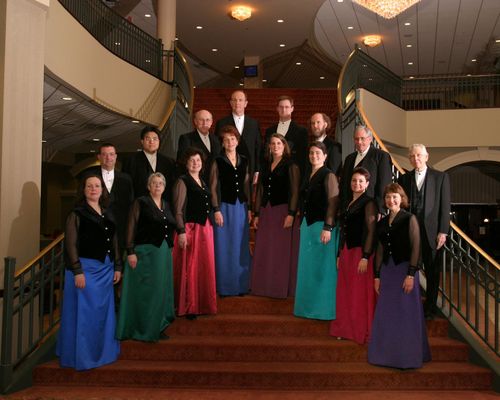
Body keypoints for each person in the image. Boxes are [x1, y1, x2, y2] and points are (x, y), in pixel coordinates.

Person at [57, 173, 121, 370]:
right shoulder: (76, 214)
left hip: (106, 270)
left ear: (102, 190)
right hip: (85, 270)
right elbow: (71, 245)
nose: (94, 189)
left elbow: (115, 241)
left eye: (97, 186)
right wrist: (77, 271)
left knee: (103, 315)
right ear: (83, 190)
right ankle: (83, 357)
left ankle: (103, 352)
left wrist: (118, 266)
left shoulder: (108, 213)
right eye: (89, 186)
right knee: (84, 315)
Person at [368, 183, 431, 369]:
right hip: (388, 272)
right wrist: (377, 276)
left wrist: (411, 274)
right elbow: (379, 250)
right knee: (387, 314)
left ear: (401, 198)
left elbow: (416, 248)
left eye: (395, 196)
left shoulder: (409, 219)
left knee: (406, 314)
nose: (391, 200)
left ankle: (407, 357)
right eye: (388, 197)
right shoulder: (381, 223)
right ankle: (385, 356)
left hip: (405, 271)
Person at [116, 172, 176, 342]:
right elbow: (131, 226)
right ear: (149, 186)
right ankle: (141, 329)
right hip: (144, 253)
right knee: (145, 292)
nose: (158, 186)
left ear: (164, 187)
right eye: (154, 183)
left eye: (161, 183)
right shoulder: (140, 202)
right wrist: (130, 251)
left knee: (160, 291)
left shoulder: (166, 204)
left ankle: (157, 326)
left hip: (163, 253)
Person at [398, 144, 451, 319]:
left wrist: (443, 231)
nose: (416, 159)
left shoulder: (441, 177)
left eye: (419, 155)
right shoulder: (404, 179)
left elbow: (445, 206)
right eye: (412, 156)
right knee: (409, 268)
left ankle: (430, 309)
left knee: (432, 271)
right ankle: (408, 306)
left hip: (432, 233)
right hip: (410, 232)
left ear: (427, 157)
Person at [329, 167, 377, 344]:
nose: (356, 184)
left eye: (360, 181)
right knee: (345, 292)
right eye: (354, 181)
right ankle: (345, 328)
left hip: (360, 253)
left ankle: (359, 330)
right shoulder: (348, 202)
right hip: (347, 252)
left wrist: (365, 256)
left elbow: (371, 230)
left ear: (367, 184)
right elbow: (343, 230)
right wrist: (339, 253)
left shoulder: (369, 202)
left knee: (358, 294)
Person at [251, 133, 300, 298]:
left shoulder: (291, 165)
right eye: (273, 144)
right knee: (265, 249)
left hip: (283, 211)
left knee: (280, 251)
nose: (275, 146)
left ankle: (278, 288)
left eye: (279, 143)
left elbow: (294, 192)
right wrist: (257, 213)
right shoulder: (265, 166)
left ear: (284, 145)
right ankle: (263, 286)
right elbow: (260, 191)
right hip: (267, 211)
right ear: (269, 147)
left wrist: (291, 214)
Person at [294, 142, 339, 320]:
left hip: (322, 227)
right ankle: (307, 308)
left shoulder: (329, 175)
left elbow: (333, 202)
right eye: (311, 153)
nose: (314, 156)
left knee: (322, 270)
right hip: (308, 226)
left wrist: (328, 227)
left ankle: (323, 310)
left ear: (325, 156)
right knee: (308, 269)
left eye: (318, 153)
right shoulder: (308, 174)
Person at [172, 148, 217, 318]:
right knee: (189, 268)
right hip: (190, 229)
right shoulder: (182, 181)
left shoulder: (203, 181)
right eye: (191, 161)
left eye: (198, 160)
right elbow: (178, 210)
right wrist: (181, 231)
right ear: (186, 163)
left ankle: (202, 304)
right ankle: (188, 306)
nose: (195, 163)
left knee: (202, 268)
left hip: (204, 229)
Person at [210, 125, 251, 296]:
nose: (229, 142)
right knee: (224, 247)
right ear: (222, 142)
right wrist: (216, 209)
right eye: (226, 139)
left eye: (232, 139)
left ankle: (241, 286)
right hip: (224, 208)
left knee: (240, 246)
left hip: (241, 208)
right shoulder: (217, 161)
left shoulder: (244, 160)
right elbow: (212, 187)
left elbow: (246, 185)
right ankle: (225, 287)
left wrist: (249, 208)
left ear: (237, 141)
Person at [340, 125, 392, 213]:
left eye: (362, 138)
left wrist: (380, 210)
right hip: (350, 207)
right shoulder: (349, 158)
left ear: (370, 139)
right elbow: (344, 184)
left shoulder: (381, 156)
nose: (359, 142)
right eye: (356, 139)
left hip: (370, 209)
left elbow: (384, 185)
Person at [93, 142, 134, 250]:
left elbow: (130, 206)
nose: (108, 158)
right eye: (104, 154)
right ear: (99, 157)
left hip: (120, 231)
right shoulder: (90, 177)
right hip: (97, 230)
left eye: (111, 154)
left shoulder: (126, 179)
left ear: (116, 157)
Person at [214, 90, 261, 181]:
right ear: (231, 103)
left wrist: (257, 170)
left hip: (249, 169)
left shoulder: (254, 123)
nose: (237, 103)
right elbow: (218, 147)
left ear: (246, 103)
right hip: (227, 168)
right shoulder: (221, 123)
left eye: (240, 100)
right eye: (234, 100)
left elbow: (257, 148)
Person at [122, 125, 176, 201]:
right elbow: (126, 188)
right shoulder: (131, 161)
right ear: (142, 141)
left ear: (159, 141)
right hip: (139, 205)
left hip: (164, 206)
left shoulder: (169, 162)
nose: (151, 142)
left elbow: (171, 187)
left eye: (155, 139)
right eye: (148, 139)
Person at [264, 96, 308, 175]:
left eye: (287, 107)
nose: (284, 110)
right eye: (281, 107)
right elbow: (266, 153)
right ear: (277, 108)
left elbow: (303, 157)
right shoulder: (269, 131)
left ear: (292, 109)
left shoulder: (301, 131)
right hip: (272, 172)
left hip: (292, 173)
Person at [177, 109, 221, 183]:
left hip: (214, 182)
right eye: (201, 120)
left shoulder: (216, 139)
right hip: (195, 182)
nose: (204, 123)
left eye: (207, 120)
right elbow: (182, 162)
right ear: (195, 121)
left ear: (211, 122)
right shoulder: (186, 139)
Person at [309, 113, 342, 177]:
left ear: (325, 125)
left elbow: (332, 173)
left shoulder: (335, 147)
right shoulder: (309, 146)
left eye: (318, 122)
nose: (315, 126)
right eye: (313, 123)